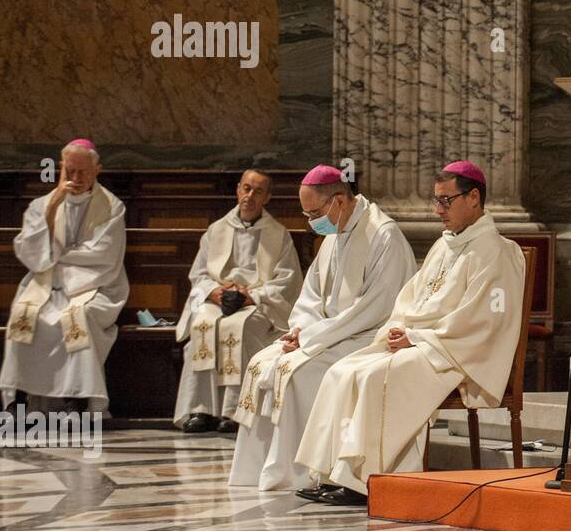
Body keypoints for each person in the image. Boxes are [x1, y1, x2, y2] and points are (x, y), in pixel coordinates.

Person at [295, 162, 524, 506]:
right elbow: (411, 298)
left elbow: (484, 323)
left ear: (474, 197)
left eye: (446, 201)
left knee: (375, 378)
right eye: (436, 200)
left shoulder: (496, 251)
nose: (437, 210)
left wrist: (417, 338)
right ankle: (332, 472)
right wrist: (397, 329)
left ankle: (368, 480)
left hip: (457, 353)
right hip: (426, 343)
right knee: (342, 371)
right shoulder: (445, 245)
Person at [227, 165, 415, 491]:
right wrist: (299, 329)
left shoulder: (384, 235)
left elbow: (377, 307)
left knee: (299, 375)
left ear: (338, 201)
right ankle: (256, 470)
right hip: (329, 334)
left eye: (314, 212)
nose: (311, 220)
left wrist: (312, 338)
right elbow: (312, 294)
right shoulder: (335, 233)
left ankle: (300, 472)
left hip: (367, 337)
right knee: (263, 363)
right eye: (306, 212)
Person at [1, 140, 127, 414]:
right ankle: (18, 402)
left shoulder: (112, 207)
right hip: (45, 287)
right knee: (23, 314)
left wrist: (57, 254)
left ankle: (78, 401)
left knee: (77, 317)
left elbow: (103, 255)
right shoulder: (42, 204)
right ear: (60, 168)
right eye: (70, 171)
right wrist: (51, 211)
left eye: (83, 171)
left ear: (97, 170)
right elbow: (31, 255)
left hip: (95, 287)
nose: (76, 178)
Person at [173, 169, 301, 433]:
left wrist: (250, 295)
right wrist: (215, 292)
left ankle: (234, 411)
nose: (250, 196)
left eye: (258, 191)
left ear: (267, 197)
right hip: (219, 297)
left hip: (256, 302)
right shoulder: (216, 230)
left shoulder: (279, 234)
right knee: (203, 324)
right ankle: (201, 410)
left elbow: (286, 281)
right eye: (246, 188)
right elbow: (198, 274)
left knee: (241, 328)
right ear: (238, 190)